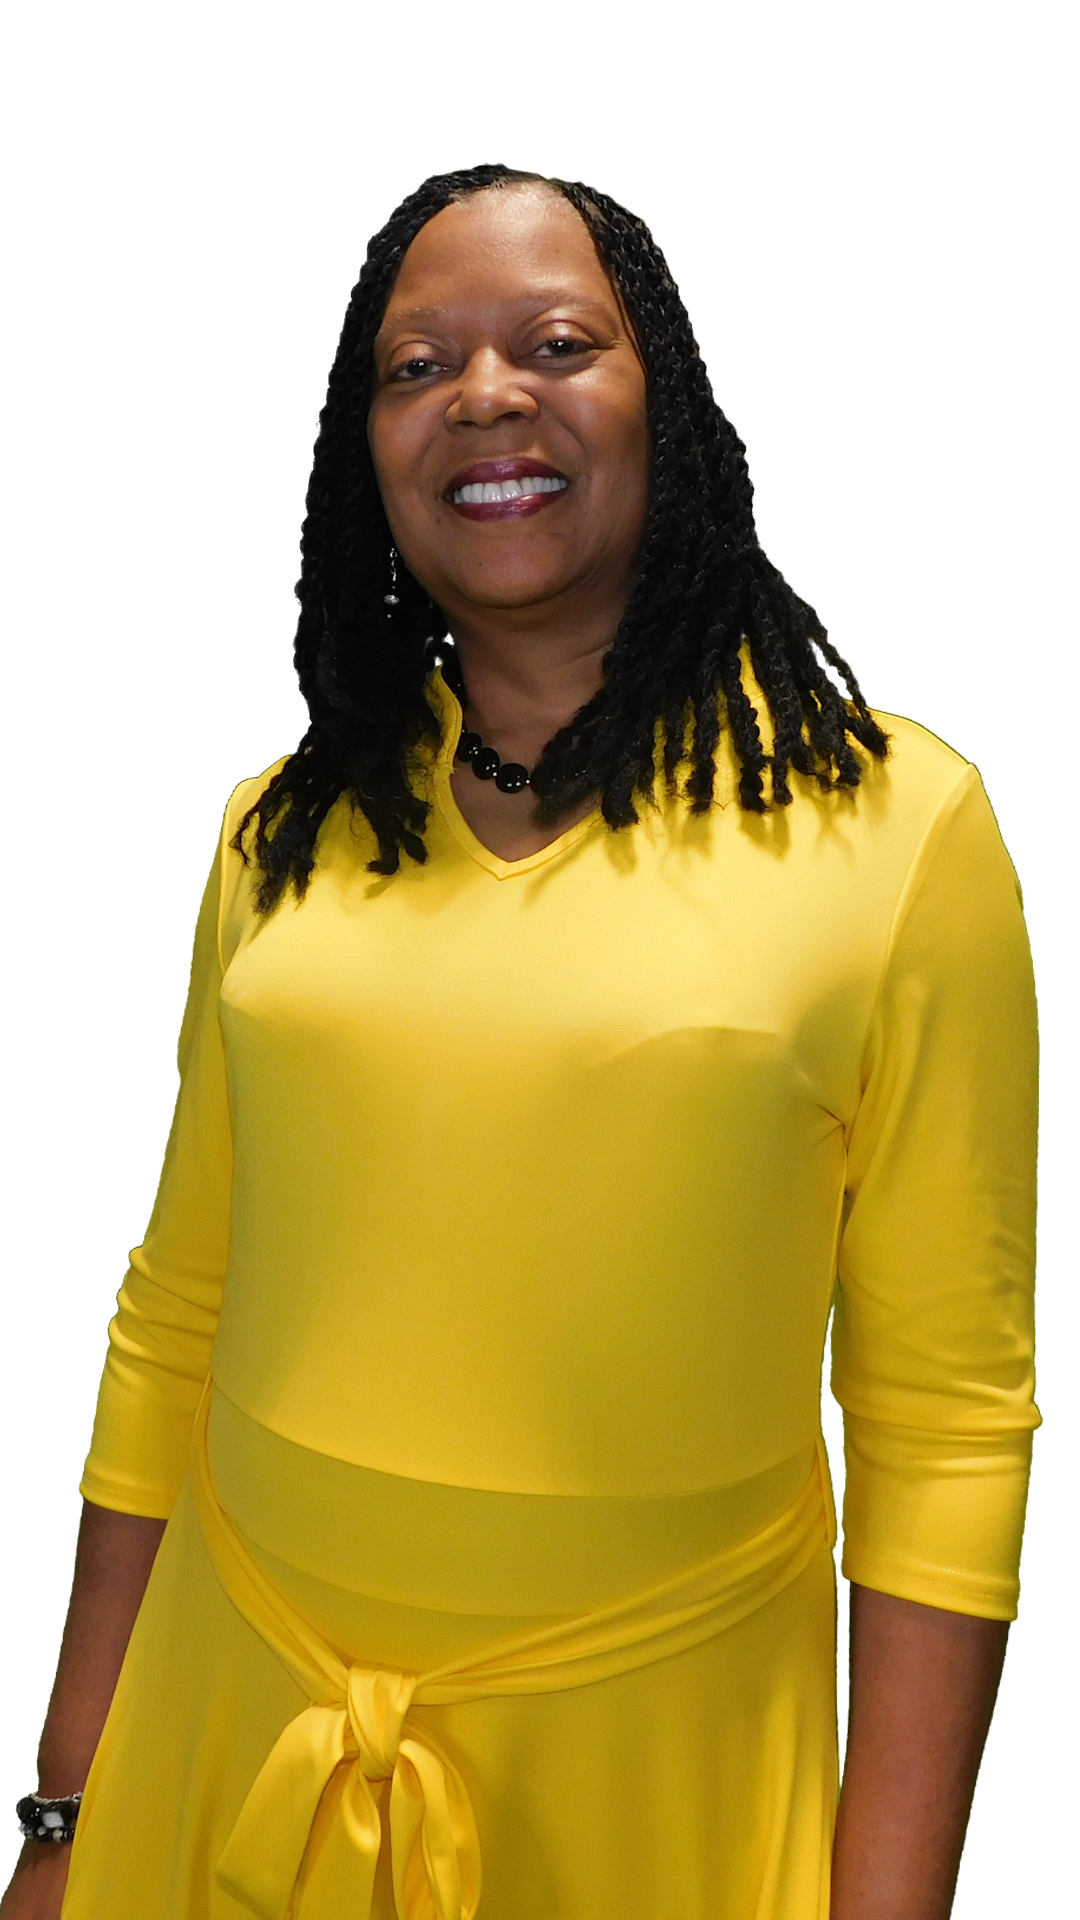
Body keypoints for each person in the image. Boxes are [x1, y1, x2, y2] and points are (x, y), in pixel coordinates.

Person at [4, 163, 1040, 1920]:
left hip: (650, 1772)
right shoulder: (278, 831)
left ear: (670, 408)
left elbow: (942, 1430)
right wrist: (63, 1809)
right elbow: (174, 1324)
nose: (486, 397)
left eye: (557, 343)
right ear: (368, 454)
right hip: (227, 1727)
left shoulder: (900, 830)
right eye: (417, 367)